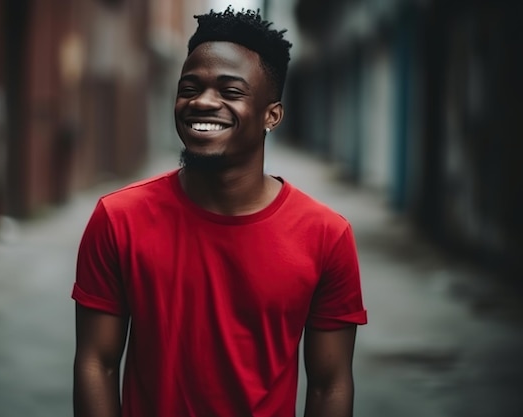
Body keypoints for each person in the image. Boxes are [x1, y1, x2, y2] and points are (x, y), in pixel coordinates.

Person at [72, 7, 367, 417]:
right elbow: (96, 363)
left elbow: (329, 385)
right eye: (189, 87)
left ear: (272, 115)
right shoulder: (118, 219)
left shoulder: (325, 236)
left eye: (231, 91)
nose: (203, 102)